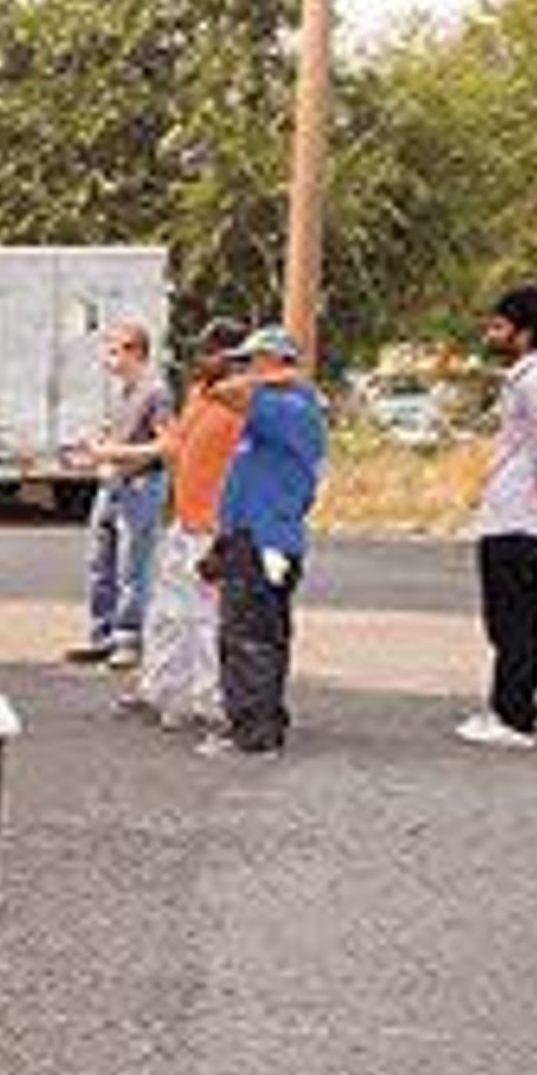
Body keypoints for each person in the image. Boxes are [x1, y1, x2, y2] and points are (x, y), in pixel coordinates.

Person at [462, 283, 537, 750]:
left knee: (517, 620)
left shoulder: (534, 382)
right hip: (508, 511)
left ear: (524, 333)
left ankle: (515, 718)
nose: (492, 333)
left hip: (521, 514)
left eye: (500, 326)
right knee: (504, 618)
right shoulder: (527, 377)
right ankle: (504, 706)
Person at [205, 324, 326, 760]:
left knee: (249, 636)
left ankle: (254, 735)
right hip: (252, 537)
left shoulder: (289, 406)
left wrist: (275, 376)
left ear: (274, 363)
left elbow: (220, 390)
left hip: (265, 541)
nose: (243, 370)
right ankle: (264, 721)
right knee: (261, 633)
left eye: (251, 361)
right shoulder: (277, 408)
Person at [128, 321, 248, 732]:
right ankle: (162, 691)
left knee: (206, 616)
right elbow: (176, 444)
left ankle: (208, 700)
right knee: (168, 612)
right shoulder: (201, 393)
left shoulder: (243, 401)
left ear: (233, 357)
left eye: (210, 352)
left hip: (213, 525)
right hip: (183, 518)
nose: (201, 359)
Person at [65, 323, 175, 670]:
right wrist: (92, 450)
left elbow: (167, 444)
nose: (108, 359)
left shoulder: (156, 393)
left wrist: (114, 452)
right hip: (111, 485)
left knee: (133, 566)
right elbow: (115, 438)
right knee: (100, 564)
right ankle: (102, 637)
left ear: (135, 352)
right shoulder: (122, 393)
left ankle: (129, 639)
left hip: (141, 487)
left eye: (114, 351)